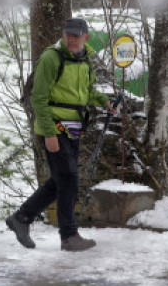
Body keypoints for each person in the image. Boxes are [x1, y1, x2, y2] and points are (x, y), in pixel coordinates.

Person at [6, 18, 112, 252]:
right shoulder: (51, 58)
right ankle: (68, 236)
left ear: (86, 37)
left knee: (60, 181)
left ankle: (22, 218)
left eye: (76, 35)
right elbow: (38, 98)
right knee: (69, 180)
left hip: (74, 128)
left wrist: (104, 101)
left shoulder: (85, 60)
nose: (71, 39)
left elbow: (87, 91)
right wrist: (49, 133)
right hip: (55, 127)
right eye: (68, 35)